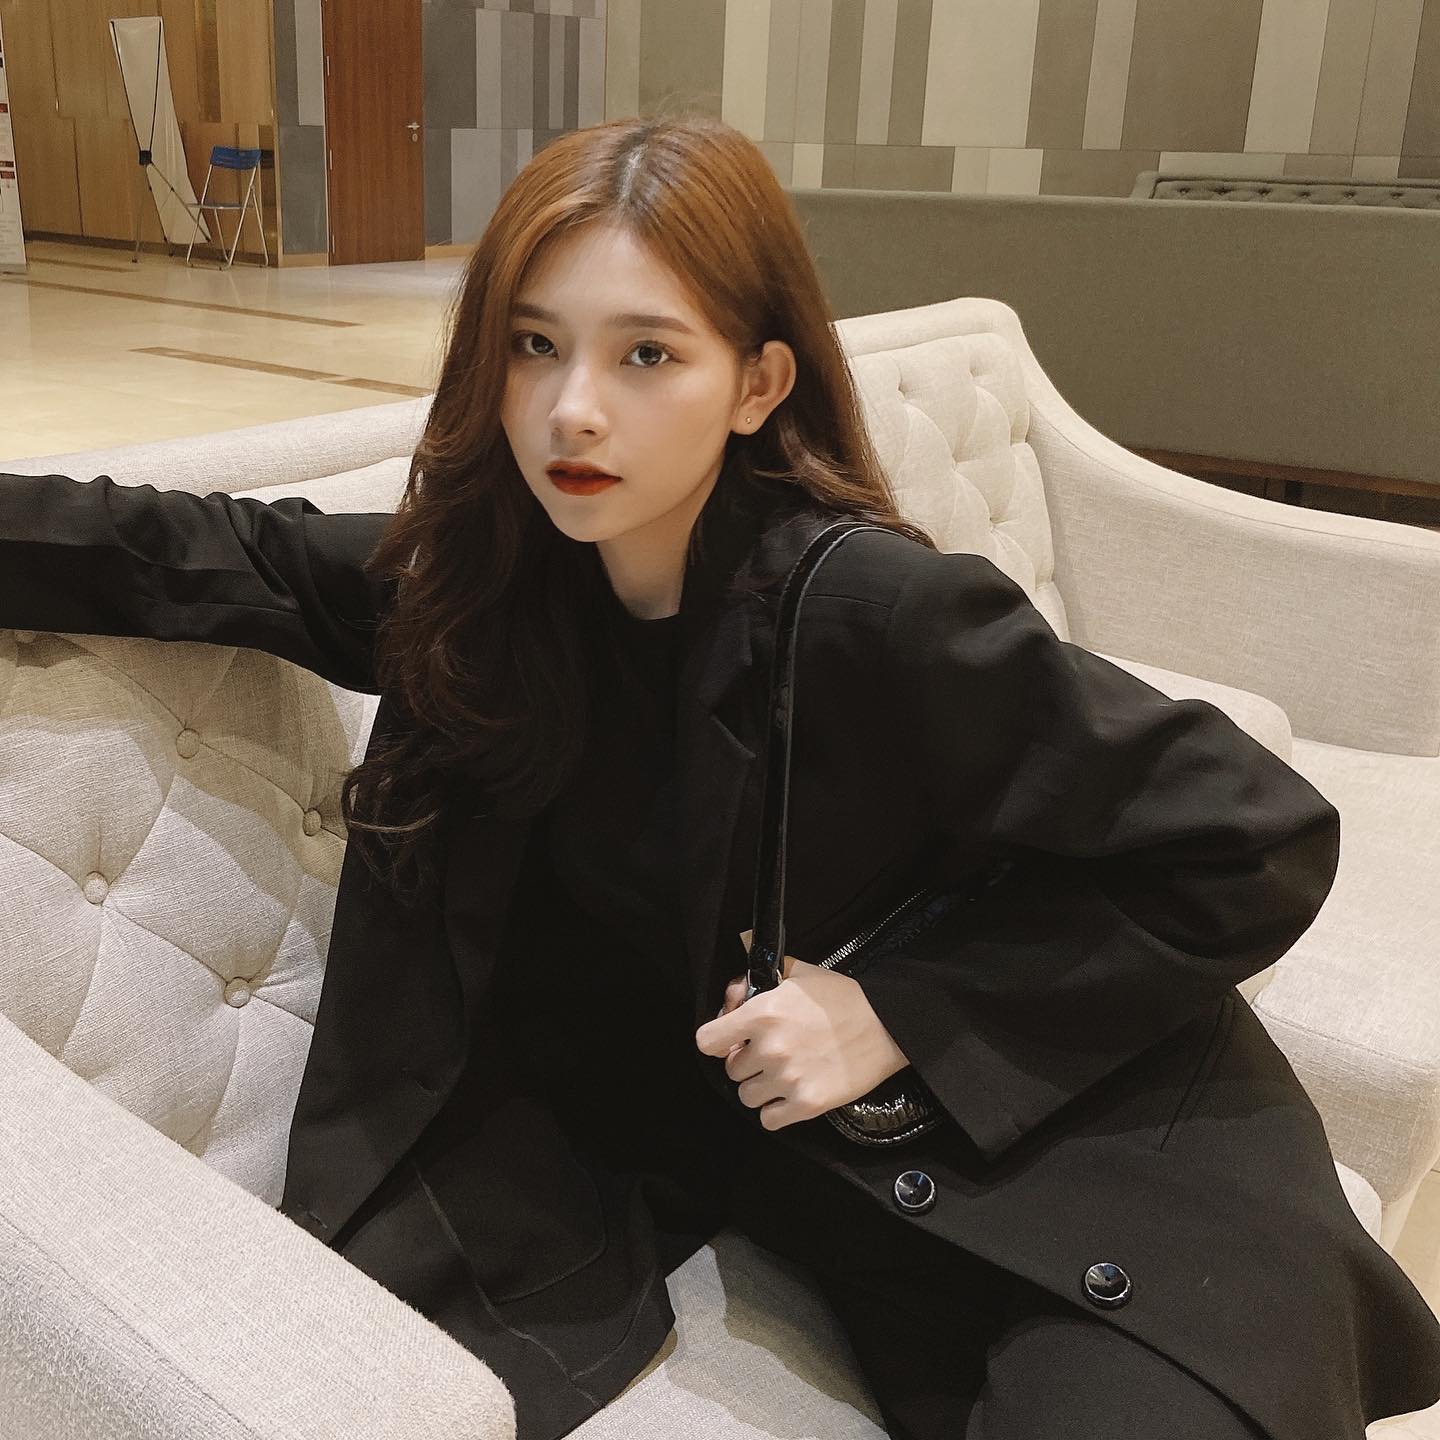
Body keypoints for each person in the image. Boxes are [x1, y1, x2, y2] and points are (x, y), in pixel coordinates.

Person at [2, 111, 1438, 1440]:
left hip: (1109, 1169)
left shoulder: (871, 610)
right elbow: (197, 551)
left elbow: (1255, 836)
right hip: (872, 1202)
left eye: (646, 355)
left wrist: (898, 1010)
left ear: (757, 384)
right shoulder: (482, 600)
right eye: (533, 345)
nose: (573, 411)